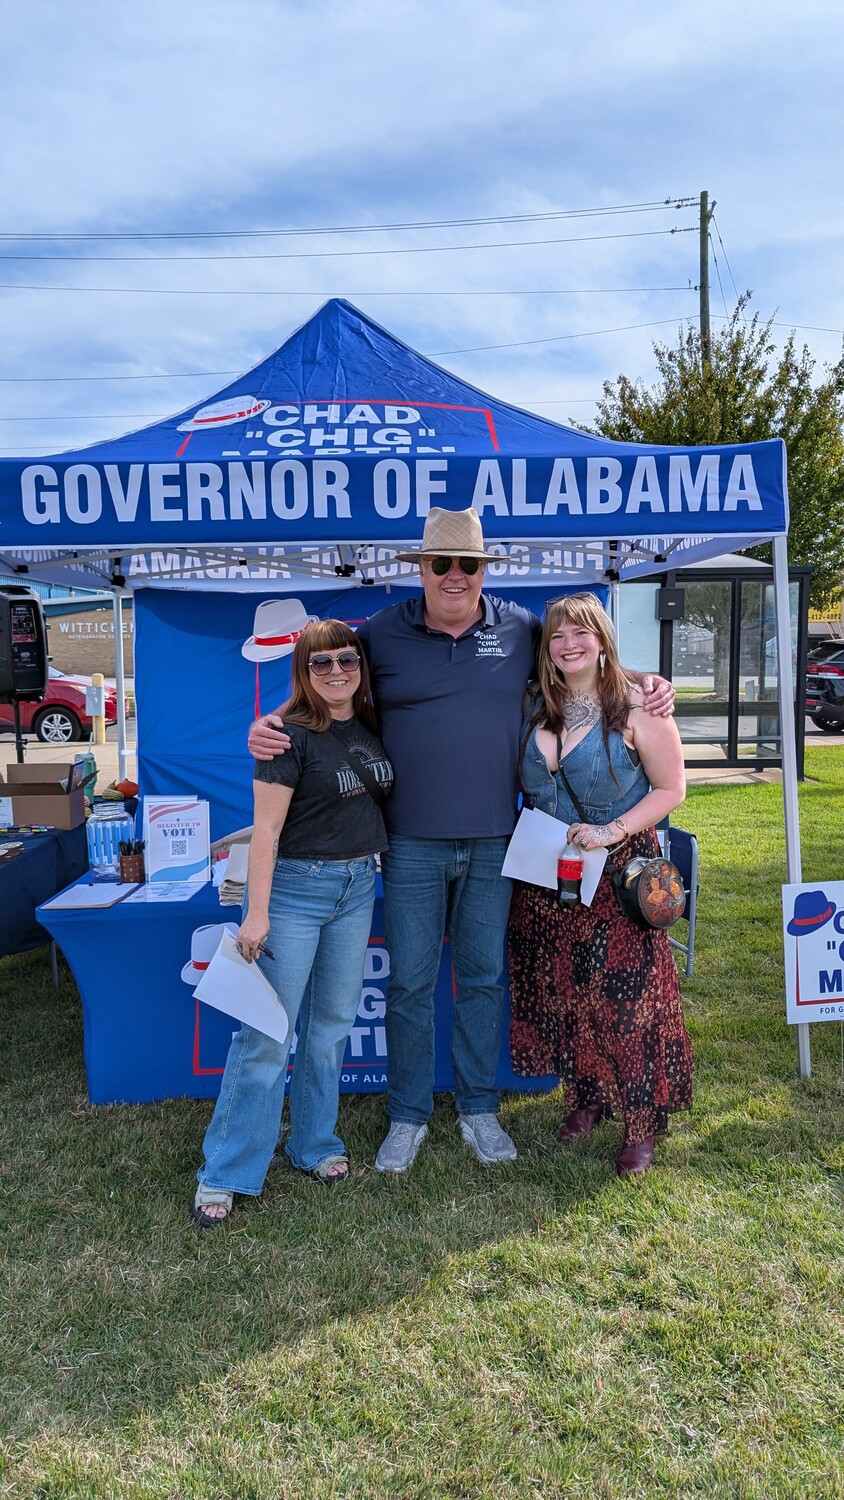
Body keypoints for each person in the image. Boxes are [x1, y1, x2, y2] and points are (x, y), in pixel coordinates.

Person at [249, 508, 675, 1175]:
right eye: (441, 563)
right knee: (411, 985)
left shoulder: (520, 629)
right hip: (409, 841)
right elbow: (325, 684)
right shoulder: (382, 633)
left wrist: (651, 681)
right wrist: (269, 723)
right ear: (420, 569)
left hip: (497, 843)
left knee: (482, 979)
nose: (454, 576)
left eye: (467, 564)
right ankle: (408, 1115)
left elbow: (584, 659)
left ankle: (479, 1109)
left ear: (483, 571)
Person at [192, 620, 393, 1227]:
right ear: (303, 672)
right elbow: (267, 833)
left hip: (359, 887)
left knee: (331, 1027)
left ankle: (315, 1146)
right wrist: (258, 911)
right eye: (320, 663)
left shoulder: (371, 724)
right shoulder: (283, 737)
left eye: (347, 660)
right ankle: (225, 1172)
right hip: (296, 895)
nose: (336, 671)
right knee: (265, 1036)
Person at [508, 591, 693, 1177]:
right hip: (548, 872)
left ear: (602, 638)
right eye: (557, 636)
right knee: (568, 988)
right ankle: (586, 1098)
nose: (568, 644)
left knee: (627, 998)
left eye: (581, 633)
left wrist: (612, 829)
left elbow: (671, 790)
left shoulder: (640, 707)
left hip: (620, 872)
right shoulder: (534, 704)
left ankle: (641, 1125)